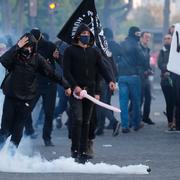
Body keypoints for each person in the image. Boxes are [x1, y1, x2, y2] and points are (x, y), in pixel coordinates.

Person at [0, 33, 71, 152]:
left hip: (26, 99)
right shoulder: (14, 56)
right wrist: (17, 46)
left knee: (18, 129)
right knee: (5, 130)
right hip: (11, 97)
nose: (28, 49)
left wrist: (66, 85)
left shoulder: (37, 58)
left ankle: (10, 157)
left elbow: (51, 73)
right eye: (25, 46)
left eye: (30, 46)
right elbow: (3, 60)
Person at [63, 23, 116, 164]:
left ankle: (83, 150)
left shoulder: (94, 52)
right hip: (76, 92)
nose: (86, 37)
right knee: (78, 119)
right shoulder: (70, 51)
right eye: (83, 35)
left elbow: (102, 68)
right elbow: (66, 71)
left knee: (86, 121)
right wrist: (74, 86)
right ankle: (74, 149)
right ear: (78, 36)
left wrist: (110, 80)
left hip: (90, 91)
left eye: (88, 35)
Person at [24, 29, 64, 146]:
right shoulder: (29, 47)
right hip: (34, 84)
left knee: (49, 112)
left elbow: (61, 62)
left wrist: (58, 58)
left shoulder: (50, 46)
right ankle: (29, 130)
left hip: (49, 84)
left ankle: (47, 137)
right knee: (26, 109)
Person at [117, 26, 145, 133]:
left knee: (123, 102)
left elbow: (117, 58)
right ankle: (136, 124)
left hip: (122, 76)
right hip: (134, 76)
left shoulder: (121, 44)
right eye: (138, 34)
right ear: (134, 34)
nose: (139, 36)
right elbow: (142, 59)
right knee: (136, 102)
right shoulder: (137, 45)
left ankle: (124, 126)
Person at [158, 34, 176, 130]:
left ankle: (175, 121)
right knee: (169, 102)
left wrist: (169, 67)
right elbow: (160, 64)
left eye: (168, 38)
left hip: (176, 80)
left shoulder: (176, 50)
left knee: (176, 102)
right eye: (165, 39)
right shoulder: (162, 51)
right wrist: (169, 68)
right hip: (165, 81)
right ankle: (170, 122)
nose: (167, 40)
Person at [139, 32, 155, 125]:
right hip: (139, 77)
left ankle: (145, 117)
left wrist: (149, 69)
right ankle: (134, 117)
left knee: (148, 98)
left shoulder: (147, 49)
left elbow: (147, 63)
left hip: (146, 77)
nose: (147, 39)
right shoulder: (138, 48)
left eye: (149, 37)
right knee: (138, 99)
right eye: (146, 37)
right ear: (141, 38)